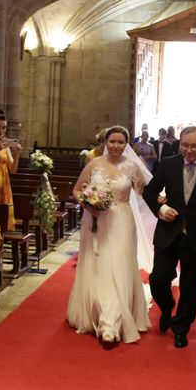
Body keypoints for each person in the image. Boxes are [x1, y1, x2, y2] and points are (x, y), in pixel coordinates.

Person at [143, 126, 196, 348]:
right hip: (168, 233)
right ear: (179, 143)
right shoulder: (169, 163)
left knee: (191, 286)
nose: (189, 150)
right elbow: (150, 191)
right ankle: (166, 305)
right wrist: (162, 211)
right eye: (185, 145)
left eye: (194, 146)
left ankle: (181, 328)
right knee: (158, 278)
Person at [67, 126, 152, 344]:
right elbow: (77, 189)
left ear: (126, 144)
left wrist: (162, 201)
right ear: (105, 142)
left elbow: (146, 190)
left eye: (120, 142)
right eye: (112, 141)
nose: (116, 146)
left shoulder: (131, 165)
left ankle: (111, 323)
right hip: (96, 221)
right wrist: (87, 203)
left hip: (122, 221)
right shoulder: (94, 164)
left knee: (119, 266)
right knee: (100, 266)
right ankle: (101, 315)